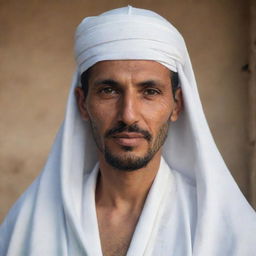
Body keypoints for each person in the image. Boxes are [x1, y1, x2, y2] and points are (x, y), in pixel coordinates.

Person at [0, 6, 256, 256]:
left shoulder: (227, 229)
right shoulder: (28, 225)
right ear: (82, 103)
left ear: (177, 105)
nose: (128, 115)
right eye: (109, 91)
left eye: (150, 92)